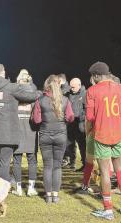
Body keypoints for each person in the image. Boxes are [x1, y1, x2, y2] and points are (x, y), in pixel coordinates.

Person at [86, 62, 121, 220]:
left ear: (97, 75)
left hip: (101, 135)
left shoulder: (92, 90)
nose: (93, 79)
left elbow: (90, 117)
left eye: (93, 76)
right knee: (120, 169)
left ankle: (108, 210)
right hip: (118, 133)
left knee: (106, 172)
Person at [32, 74, 74, 203]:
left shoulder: (40, 100)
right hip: (60, 135)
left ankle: (48, 195)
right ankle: (55, 195)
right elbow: (70, 117)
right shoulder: (65, 100)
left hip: (45, 135)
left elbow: (36, 120)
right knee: (57, 167)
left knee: (47, 166)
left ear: (47, 85)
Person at [12, 69, 38, 197]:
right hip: (31, 131)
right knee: (32, 160)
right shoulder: (35, 93)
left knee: (16, 161)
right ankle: (31, 188)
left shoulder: (13, 92)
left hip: (16, 131)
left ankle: (18, 188)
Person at [64, 78, 86, 171]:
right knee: (69, 144)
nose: (71, 88)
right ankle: (71, 163)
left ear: (79, 85)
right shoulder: (67, 94)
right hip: (70, 124)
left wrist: (81, 117)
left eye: (73, 87)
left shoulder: (85, 94)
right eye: (70, 87)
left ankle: (85, 164)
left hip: (80, 125)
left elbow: (87, 109)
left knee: (82, 146)